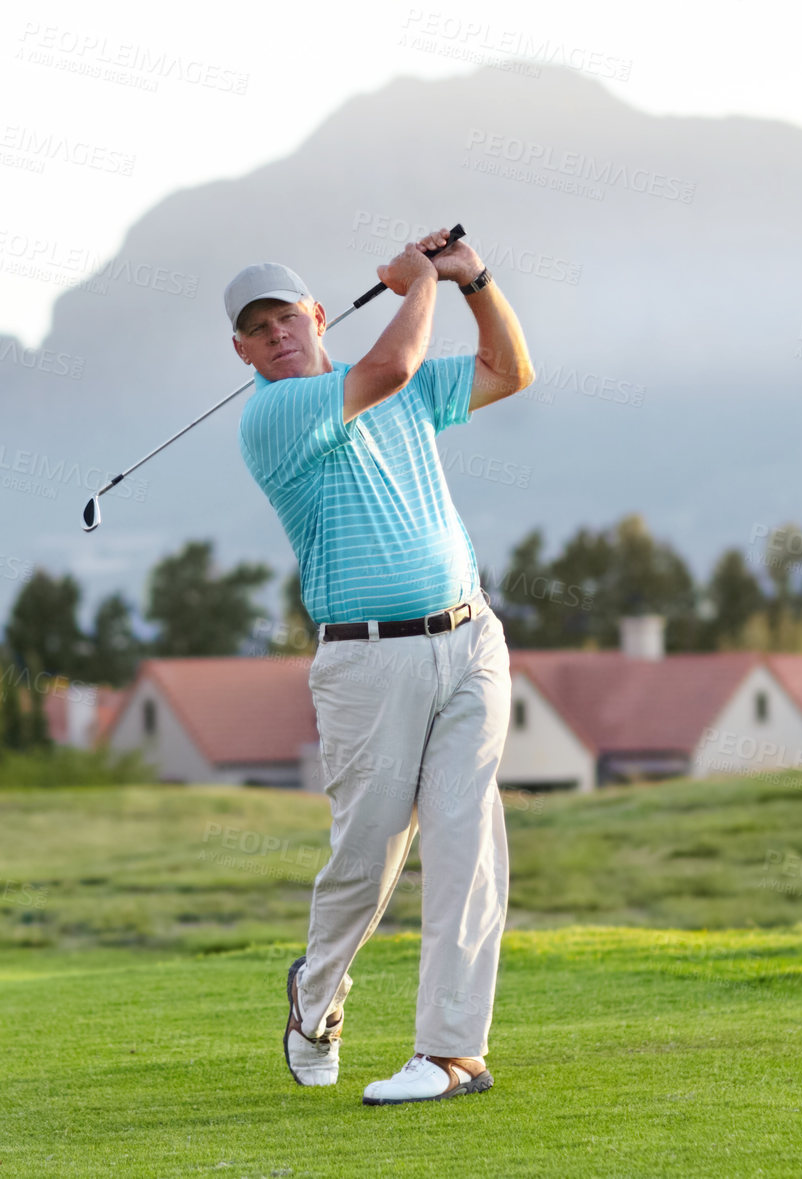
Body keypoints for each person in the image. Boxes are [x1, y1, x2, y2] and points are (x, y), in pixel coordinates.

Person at [226, 228, 534, 1105]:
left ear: (317, 315)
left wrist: (473, 280)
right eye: (260, 327)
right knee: (367, 861)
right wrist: (416, 284)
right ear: (243, 351)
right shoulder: (275, 415)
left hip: (471, 639)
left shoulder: (392, 378)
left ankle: (449, 1053)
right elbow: (393, 369)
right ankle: (315, 996)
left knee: (466, 842)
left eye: (288, 314)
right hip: (367, 661)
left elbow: (508, 372)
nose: (279, 332)